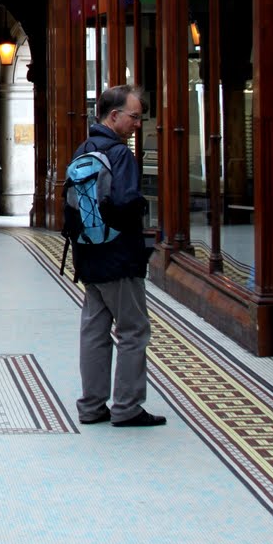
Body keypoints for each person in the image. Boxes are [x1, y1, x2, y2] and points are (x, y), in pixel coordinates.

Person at [72, 86, 166, 428]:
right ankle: (127, 407)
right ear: (114, 116)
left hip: (88, 253)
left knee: (94, 329)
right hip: (118, 255)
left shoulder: (84, 148)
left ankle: (92, 405)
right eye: (135, 117)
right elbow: (126, 204)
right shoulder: (120, 154)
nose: (138, 124)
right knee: (134, 329)